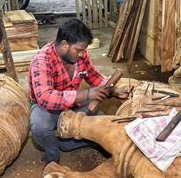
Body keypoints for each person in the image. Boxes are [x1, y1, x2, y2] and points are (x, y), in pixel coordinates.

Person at [28, 19, 132, 163]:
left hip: (73, 103)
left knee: (99, 119)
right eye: (78, 50)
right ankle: (52, 155)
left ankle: (66, 144)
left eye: (83, 50)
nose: (82, 54)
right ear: (64, 44)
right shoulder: (42, 60)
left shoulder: (80, 55)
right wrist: (87, 94)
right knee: (40, 125)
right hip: (46, 108)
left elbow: (93, 76)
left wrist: (114, 90)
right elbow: (45, 98)